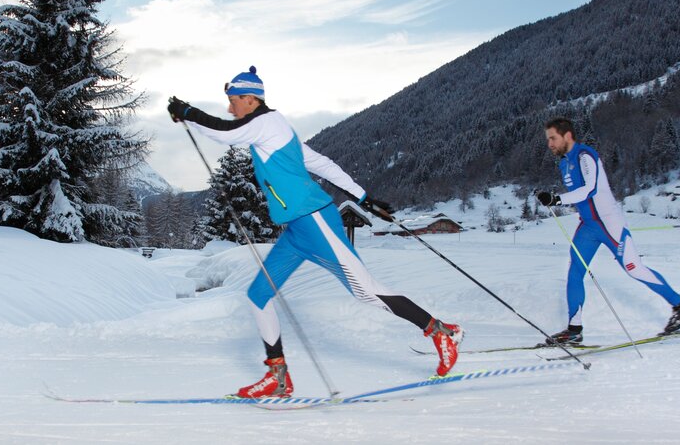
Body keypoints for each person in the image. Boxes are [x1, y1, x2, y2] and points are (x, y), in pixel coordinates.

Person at [167, 66, 462, 398]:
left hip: (316, 222)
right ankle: (277, 376)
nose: (230, 107)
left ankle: (441, 331)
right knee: (259, 295)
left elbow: (224, 131)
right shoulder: (275, 130)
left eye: (233, 100)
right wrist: (364, 196)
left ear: (251, 100)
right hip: (297, 230)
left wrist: (187, 113)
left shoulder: (264, 123)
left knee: (366, 292)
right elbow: (322, 164)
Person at [536, 117, 680, 344]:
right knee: (575, 271)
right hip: (589, 226)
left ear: (567, 135)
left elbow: (589, 190)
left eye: (553, 138)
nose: (549, 143)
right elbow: (579, 196)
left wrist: (557, 199)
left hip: (609, 223)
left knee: (634, 269)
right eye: (548, 139)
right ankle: (574, 330)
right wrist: (552, 198)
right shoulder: (565, 163)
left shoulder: (585, 156)